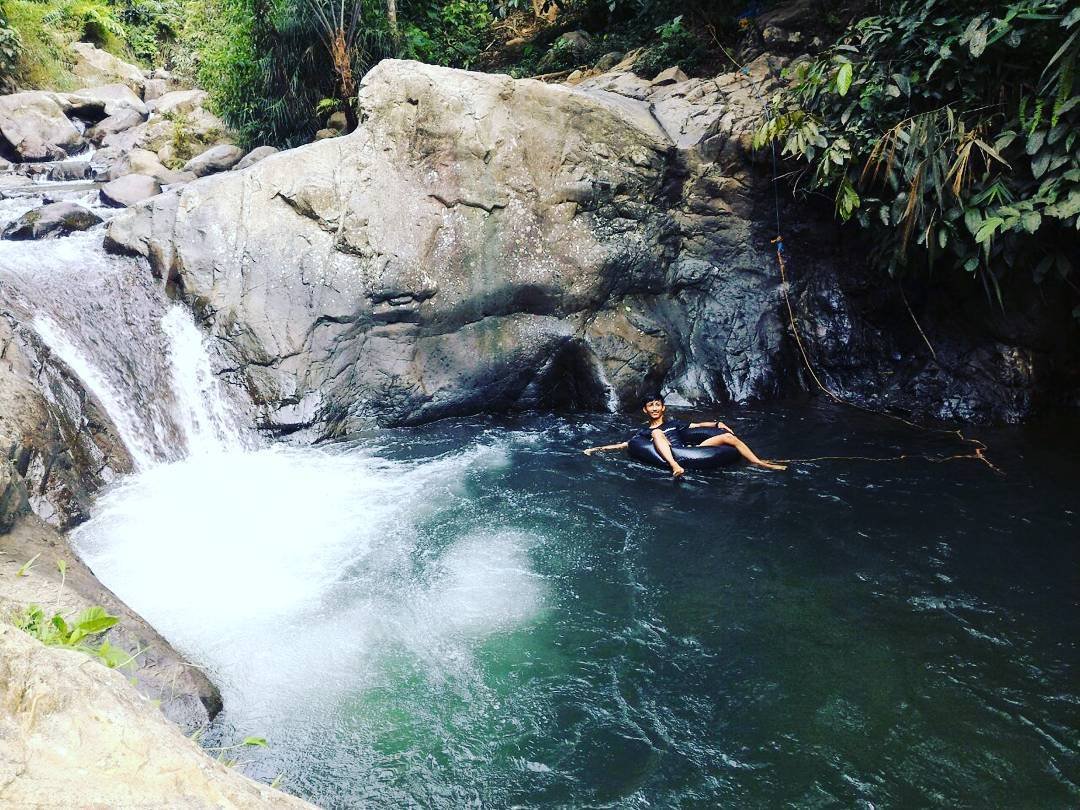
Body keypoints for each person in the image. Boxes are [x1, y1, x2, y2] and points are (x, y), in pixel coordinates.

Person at [583, 394, 787, 477]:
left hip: (691, 451)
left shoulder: (675, 424)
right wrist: (595, 449)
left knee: (729, 438)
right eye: (650, 405)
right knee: (657, 433)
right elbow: (624, 444)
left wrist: (717, 424)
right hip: (672, 454)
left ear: (663, 407)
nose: (654, 408)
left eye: (657, 405)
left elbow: (698, 425)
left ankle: (759, 462)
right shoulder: (646, 432)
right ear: (645, 410)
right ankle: (675, 467)